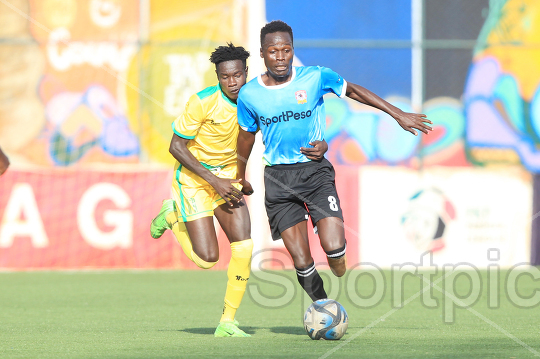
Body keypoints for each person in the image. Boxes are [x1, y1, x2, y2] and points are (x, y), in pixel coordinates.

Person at [236, 20, 432, 302]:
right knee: (302, 261)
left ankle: (337, 263)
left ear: (293, 50)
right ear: (262, 53)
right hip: (278, 180)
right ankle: (324, 308)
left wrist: (397, 114)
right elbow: (246, 137)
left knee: (334, 249)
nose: (280, 58)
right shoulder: (250, 94)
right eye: (273, 51)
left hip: (315, 174)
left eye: (286, 50)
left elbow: (353, 91)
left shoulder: (314, 77)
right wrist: (239, 175)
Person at [149, 43, 330, 336]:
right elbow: (176, 146)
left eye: (236, 75)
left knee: (244, 247)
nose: (231, 82)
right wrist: (215, 180)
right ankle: (171, 217)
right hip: (195, 180)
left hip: (228, 180)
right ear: (218, 77)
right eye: (224, 77)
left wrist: (322, 143)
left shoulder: (257, 99)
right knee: (207, 260)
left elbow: (285, 128)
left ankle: (227, 322)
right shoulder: (202, 102)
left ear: (245, 73)